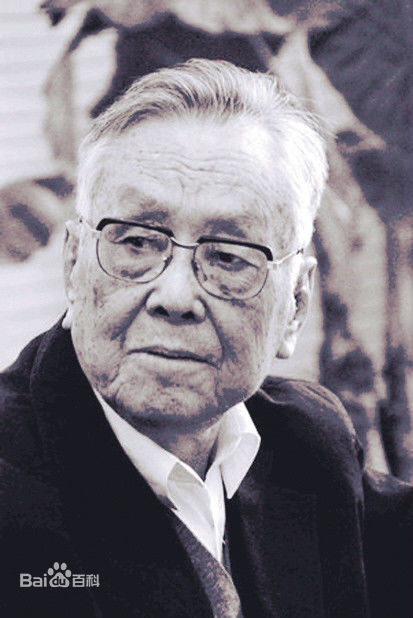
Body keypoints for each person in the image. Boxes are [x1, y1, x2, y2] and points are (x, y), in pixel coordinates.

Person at [0, 59, 411, 618]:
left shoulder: (307, 445)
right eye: (137, 242)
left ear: (295, 304)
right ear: (74, 265)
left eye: (228, 257)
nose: (175, 296)